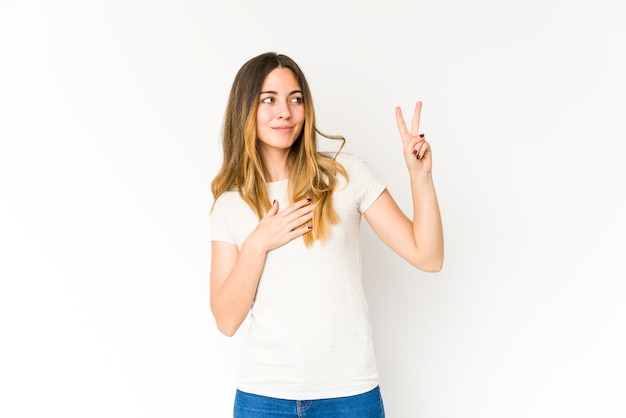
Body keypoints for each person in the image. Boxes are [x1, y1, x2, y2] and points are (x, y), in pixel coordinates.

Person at [210, 52, 444, 418]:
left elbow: (427, 257)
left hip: (349, 394)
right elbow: (226, 320)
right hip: (263, 397)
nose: (284, 111)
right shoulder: (231, 204)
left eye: (295, 98)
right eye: (268, 100)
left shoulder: (344, 176)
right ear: (245, 110)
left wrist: (421, 177)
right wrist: (259, 242)